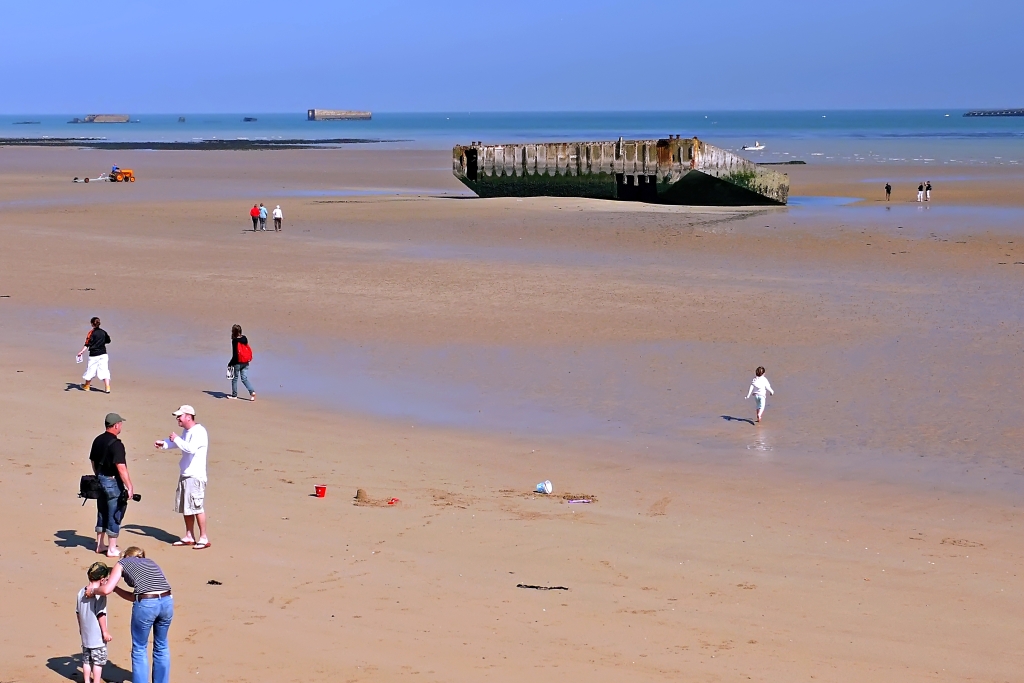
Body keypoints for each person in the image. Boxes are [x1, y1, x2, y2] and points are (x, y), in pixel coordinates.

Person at [87, 547, 173, 683]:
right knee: (161, 645)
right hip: (167, 601)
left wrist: (92, 591)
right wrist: (116, 589)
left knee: (139, 648)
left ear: (125, 556)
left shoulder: (122, 563)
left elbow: (106, 590)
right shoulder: (150, 562)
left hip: (146, 604)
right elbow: (136, 596)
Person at [154, 406, 210, 549]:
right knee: (186, 507)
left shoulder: (199, 431)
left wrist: (176, 439)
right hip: (185, 473)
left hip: (195, 475)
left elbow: (190, 448)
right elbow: (181, 444)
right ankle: (189, 535)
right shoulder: (187, 431)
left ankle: (203, 537)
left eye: (180, 416)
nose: (177, 418)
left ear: (189, 416)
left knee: (197, 507)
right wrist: (165, 443)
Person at [90, 413, 134, 557]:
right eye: (120, 424)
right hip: (112, 481)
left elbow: (93, 461)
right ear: (116, 425)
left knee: (102, 511)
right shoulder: (116, 444)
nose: (121, 426)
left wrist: (98, 475)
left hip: (100, 479)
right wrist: (130, 486)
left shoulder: (98, 440)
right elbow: (121, 467)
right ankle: (112, 548)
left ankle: (100, 544)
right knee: (115, 513)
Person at [77, 562, 113, 683]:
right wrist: (105, 632)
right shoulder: (99, 595)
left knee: (86, 660)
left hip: (85, 635)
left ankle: (87, 681)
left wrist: (80, 628)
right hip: (97, 637)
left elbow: (78, 612)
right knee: (98, 662)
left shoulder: (81, 592)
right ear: (102, 580)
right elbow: (101, 614)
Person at [78, 317, 112, 393]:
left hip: (94, 355)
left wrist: (81, 352)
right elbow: (108, 340)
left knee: (90, 370)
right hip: (103, 354)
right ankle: (107, 387)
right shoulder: (103, 332)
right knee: (104, 370)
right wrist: (101, 342)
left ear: (92, 324)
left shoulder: (91, 333)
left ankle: (87, 386)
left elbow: (87, 344)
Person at [227, 324, 256, 400]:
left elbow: (235, 354)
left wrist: (230, 363)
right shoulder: (244, 338)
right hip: (246, 362)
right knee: (244, 379)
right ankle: (252, 392)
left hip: (237, 362)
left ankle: (234, 395)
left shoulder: (235, 341)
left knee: (235, 379)